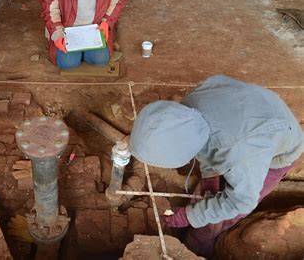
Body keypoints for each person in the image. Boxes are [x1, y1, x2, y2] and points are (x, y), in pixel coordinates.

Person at [128, 75, 303, 257]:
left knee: (218, 218)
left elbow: (242, 201)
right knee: (206, 195)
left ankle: (197, 246)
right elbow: (208, 143)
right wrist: (210, 176)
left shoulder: (241, 150)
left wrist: (191, 216)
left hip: (278, 150)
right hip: (257, 112)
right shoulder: (189, 105)